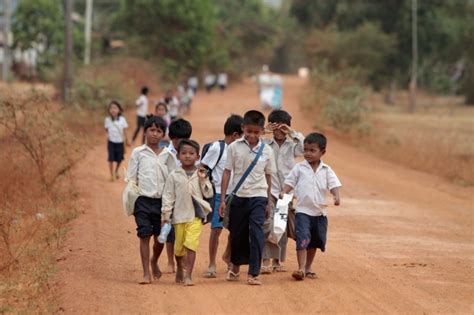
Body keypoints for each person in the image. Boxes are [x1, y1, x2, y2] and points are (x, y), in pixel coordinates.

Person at [219, 110, 276, 285]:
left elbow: (268, 177)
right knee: (237, 234)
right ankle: (235, 267)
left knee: (257, 233)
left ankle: (254, 273)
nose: (252, 135)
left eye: (256, 132)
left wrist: (268, 201)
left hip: (258, 196)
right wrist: (222, 199)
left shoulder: (267, 151)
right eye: (249, 131)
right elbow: (227, 172)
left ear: (262, 131)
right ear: (243, 128)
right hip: (238, 196)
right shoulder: (234, 147)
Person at [281, 132, 342, 281]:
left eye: (312, 150)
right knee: (302, 239)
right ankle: (300, 268)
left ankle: (308, 267)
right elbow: (290, 182)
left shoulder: (326, 170)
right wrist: (284, 192)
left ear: (322, 152)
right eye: (306, 150)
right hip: (302, 211)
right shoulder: (299, 168)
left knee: (314, 241)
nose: (308, 153)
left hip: (320, 212)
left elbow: (333, 185)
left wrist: (336, 196)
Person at [125, 116, 174, 284]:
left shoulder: (168, 155)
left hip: (163, 203)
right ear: (145, 132)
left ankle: (154, 260)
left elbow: (173, 178)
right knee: (144, 235)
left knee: (161, 237)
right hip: (143, 201)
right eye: (151, 130)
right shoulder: (138, 153)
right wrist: (133, 199)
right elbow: (131, 178)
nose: (155, 134)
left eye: (159, 131)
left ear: (163, 134)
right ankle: (146, 272)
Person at [161, 139, 214, 286]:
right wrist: (166, 215)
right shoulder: (174, 175)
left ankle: (189, 275)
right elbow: (168, 196)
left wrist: (204, 181)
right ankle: (179, 267)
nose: (187, 156)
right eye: (183, 153)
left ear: (198, 157)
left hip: (195, 216)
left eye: (192, 153)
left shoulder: (201, 174)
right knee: (178, 249)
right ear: (178, 156)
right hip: (179, 216)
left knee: (191, 244)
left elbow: (208, 194)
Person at [261, 110, 304, 274]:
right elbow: (249, 142)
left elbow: (304, 147)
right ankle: (265, 259)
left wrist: (292, 133)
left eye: (282, 128)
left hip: (286, 190)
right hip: (268, 189)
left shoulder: (293, 145)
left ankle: (277, 260)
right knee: (268, 224)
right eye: (276, 127)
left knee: (282, 225)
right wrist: (264, 130)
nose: (279, 131)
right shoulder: (264, 144)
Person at [201, 114, 244, 278]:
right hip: (219, 194)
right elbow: (203, 167)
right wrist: (205, 186)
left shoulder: (240, 149)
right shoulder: (217, 148)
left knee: (235, 229)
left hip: (236, 195)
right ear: (235, 135)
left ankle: (228, 256)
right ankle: (212, 263)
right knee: (216, 230)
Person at [161, 118, 193, 273]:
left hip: (185, 197)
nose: (182, 142)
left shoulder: (189, 152)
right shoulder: (165, 154)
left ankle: (183, 259)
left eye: (185, 139)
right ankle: (170, 262)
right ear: (172, 138)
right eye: (179, 139)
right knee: (170, 231)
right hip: (168, 196)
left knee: (186, 229)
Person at [104, 101, 129, 181]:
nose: (113, 110)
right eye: (111, 108)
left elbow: (125, 130)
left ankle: (116, 171)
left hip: (120, 142)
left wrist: (127, 140)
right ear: (109, 110)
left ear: (119, 110)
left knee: (119, 159)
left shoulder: (122, 120)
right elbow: (106, 129)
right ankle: (112, 175)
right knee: (110, 158)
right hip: (111, 142)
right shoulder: (107, 120)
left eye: (115, 108)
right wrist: (108, 136)